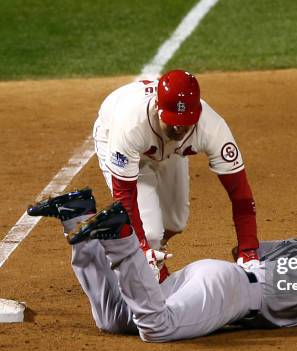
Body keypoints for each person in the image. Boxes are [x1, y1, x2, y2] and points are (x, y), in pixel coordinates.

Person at [27, 189, 297, 343]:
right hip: (229, 294)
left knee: (115, 319)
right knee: (156, 328)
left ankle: (76, 216)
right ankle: (120, 238)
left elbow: (240, 249)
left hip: (215, 274)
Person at [92, 69, 259, 282]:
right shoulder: (131, 125)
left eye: (185, 120)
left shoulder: (212, 127)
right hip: (115, 138)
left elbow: (240, 194)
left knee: (175, 223)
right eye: (173, 120)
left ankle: (151, 256)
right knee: (151, 233)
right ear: (157, 108)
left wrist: (248, 249)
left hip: (168, 152)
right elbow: (124, 194)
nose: (179, 127)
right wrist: (142, 246)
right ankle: (140, 262)